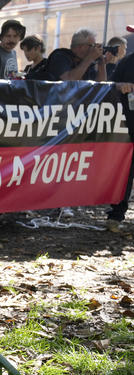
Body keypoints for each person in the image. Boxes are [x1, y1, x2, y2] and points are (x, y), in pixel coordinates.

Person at [105, 26, 134, 232]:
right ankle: (116, 215)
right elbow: (109, 88)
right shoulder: (127, 62)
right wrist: (118, 86)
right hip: (129, 128)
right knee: (127, 172)